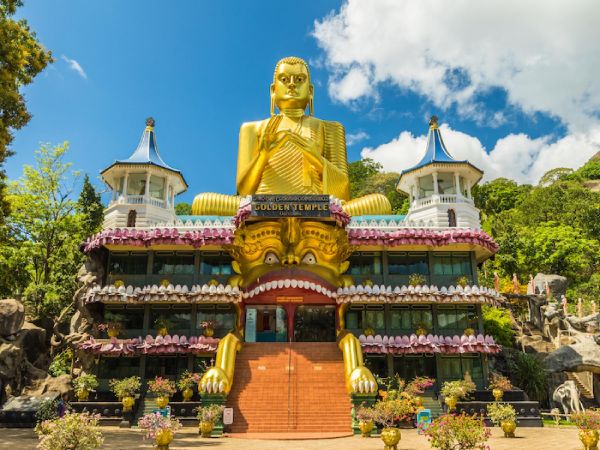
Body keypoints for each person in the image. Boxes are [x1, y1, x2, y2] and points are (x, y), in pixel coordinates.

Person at [192, 56, 391, 216]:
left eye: (300, 80)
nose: (292, 85)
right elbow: (244, 192)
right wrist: (263, 155)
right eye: (285, 79)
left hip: (317, 206)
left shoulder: (330, 128)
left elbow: (342, 193)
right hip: (263, 206)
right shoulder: (253, 129)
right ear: (273, 90)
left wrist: (317, 159)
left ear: (310, 91)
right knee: (202, 202)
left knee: (380, 203)